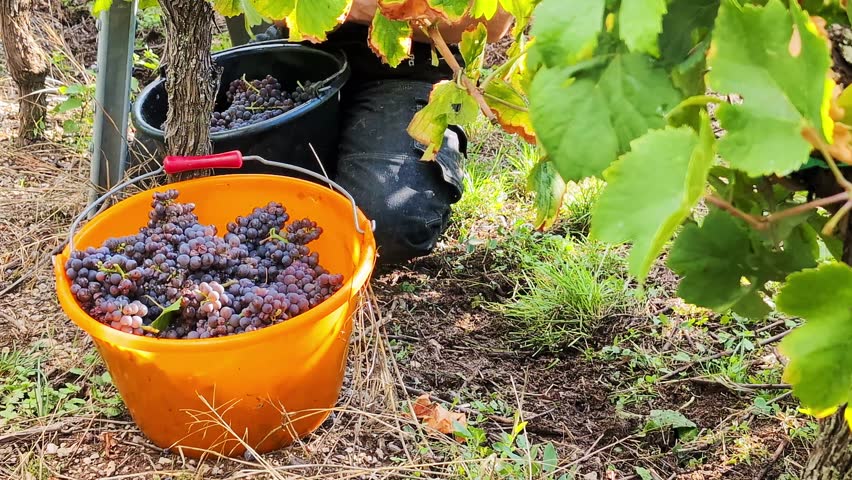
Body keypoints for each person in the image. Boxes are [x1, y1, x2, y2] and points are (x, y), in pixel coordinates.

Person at [244, 2, 514, 266]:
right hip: (300, 53)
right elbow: (278, 9)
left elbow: (494, 21)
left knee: (381, 223)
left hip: (409, 70)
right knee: (229, 184)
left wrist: (354, 7)